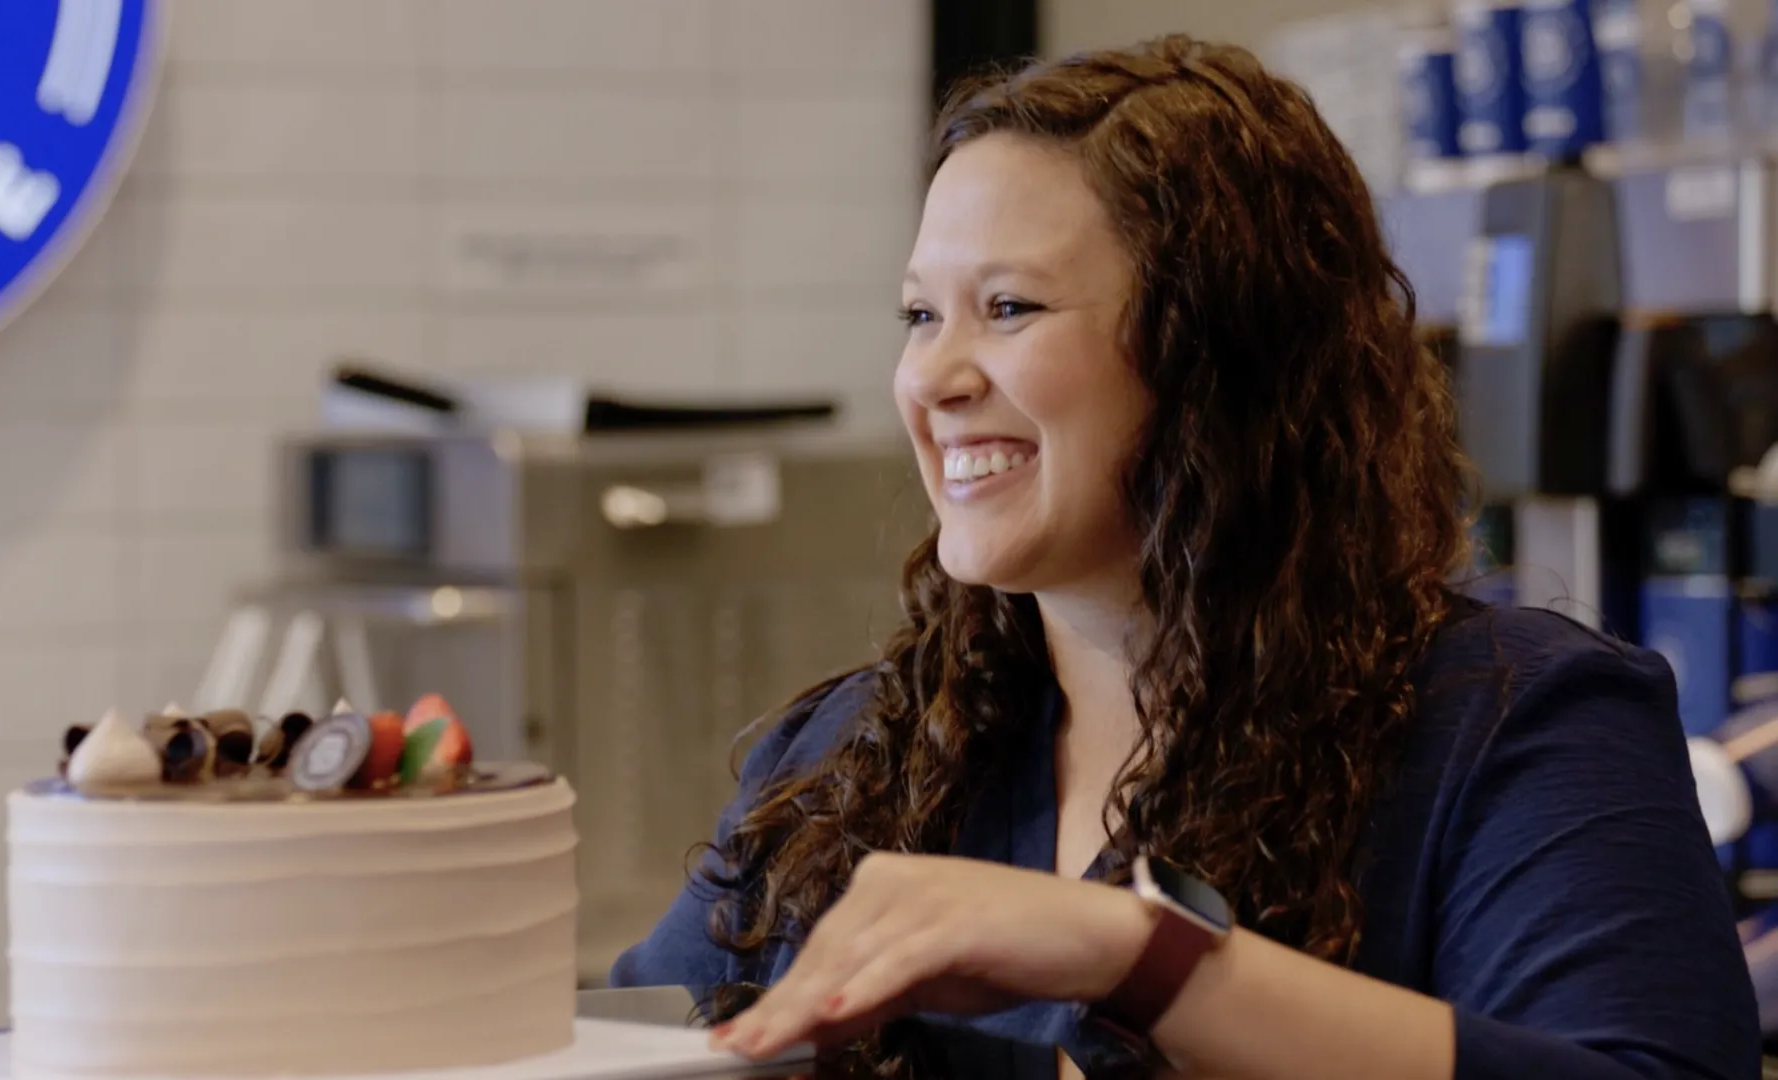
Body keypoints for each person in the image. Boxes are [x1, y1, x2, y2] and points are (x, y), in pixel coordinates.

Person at [609, 35, 1761, 1080]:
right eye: (921, 315)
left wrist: (1142, 962)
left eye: (1008, 308)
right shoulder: (856, 759)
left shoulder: (1516, 726)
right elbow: (622, 1048)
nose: (935, 379)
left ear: (1224, 362)